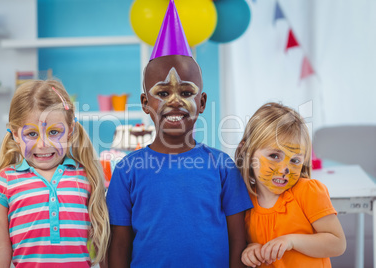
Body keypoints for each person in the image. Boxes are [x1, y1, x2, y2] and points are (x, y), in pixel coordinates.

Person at [105, 1, 253, 267]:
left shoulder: (222, 166)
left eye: (186, 93)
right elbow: (119, 243)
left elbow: (238, 239)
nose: (174, 101)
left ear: (203, 102)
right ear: (145, 103)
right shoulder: (127, 171)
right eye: (162, 93)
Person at [0, 80, 109, 267]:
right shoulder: (4, 182)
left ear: (70, 131)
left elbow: (102, 245)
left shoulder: (86, 177)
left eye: (54, 132)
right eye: (32, 134)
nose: (43, 144)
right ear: (15, 135)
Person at [235, 102, 346, 267]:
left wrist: (291, 241)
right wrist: (250, 249)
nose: (285, 169)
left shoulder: (308, 192)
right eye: (274, 155)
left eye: (295, 160)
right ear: (247, 152)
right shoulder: (244, 201)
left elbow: (337, 244)